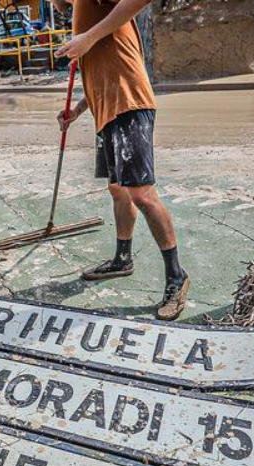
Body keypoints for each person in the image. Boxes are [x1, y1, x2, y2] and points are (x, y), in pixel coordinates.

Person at [53, 0, 189, 320]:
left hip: (129, 104)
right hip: (107, 112)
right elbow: (105, 68)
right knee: (118, 190)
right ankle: (123, 258)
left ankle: (176, 276)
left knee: (141, 194)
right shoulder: (83, 13)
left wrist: (88, 37)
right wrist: (77, 111)